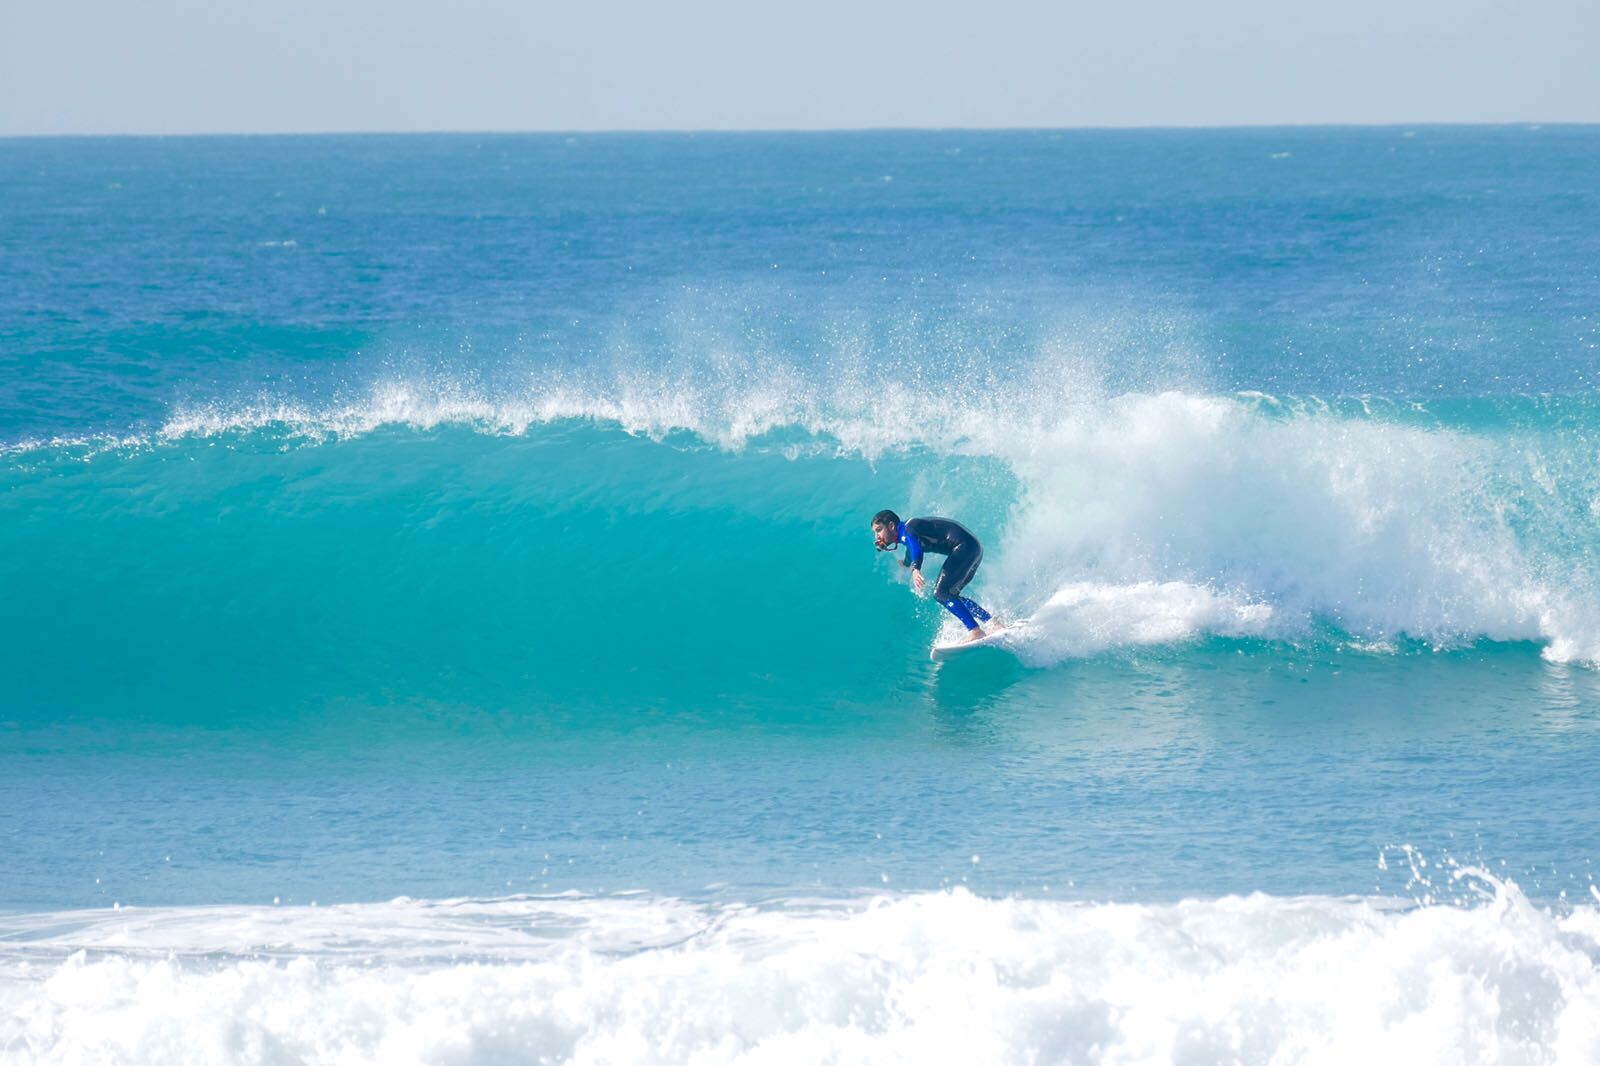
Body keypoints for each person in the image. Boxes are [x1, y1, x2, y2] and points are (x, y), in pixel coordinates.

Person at [871, 509, 1000, 642]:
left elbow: (916, 548)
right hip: (972, 548)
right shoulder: (908, 534)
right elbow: (911, 549)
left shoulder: (909, 529)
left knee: (941, 594)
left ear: (891, 526)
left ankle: (975, 631)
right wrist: (905, 563)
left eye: (879, 530)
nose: (877, 536)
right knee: (950, 595)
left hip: (964, 547)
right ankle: (993, 623)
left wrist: (915, 569)